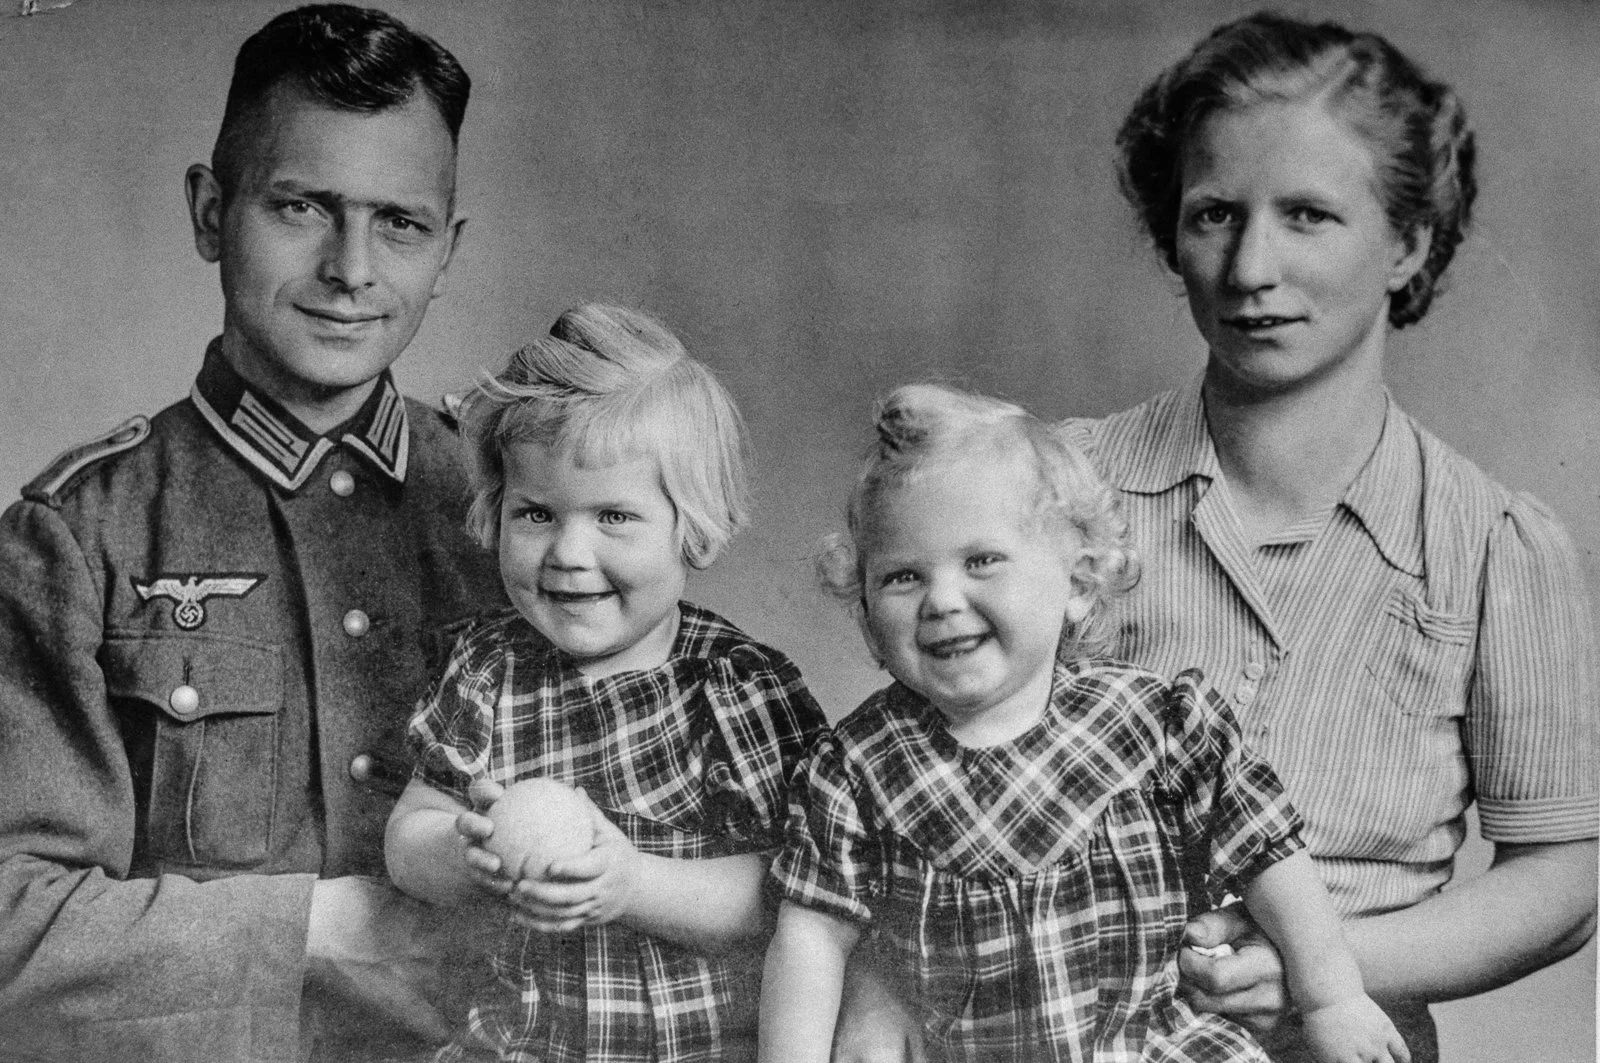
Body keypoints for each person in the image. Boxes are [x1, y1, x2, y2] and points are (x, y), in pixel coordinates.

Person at [832, 13, 1597, 1063]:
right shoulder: (1040, 496)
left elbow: (1562, 884)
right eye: (1213, 215)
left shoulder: (1494, 545)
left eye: (1309, 216)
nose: (1249, 267)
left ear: (1408, 242)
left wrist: (1324, 961)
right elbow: (891, 807)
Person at [0, 6, 505, 1060]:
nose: (351, 267)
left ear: (448, 252)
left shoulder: (516, 508)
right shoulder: (76, 535)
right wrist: (320, 933)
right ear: (209, 209)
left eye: (399, 223)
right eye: (300, 207)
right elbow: (13, 929)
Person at [761, 383, 1409, 1063]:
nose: (942, 600)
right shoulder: (857, 767)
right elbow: (810, 939)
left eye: (981, 560)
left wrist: (1331, 997)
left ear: (1075, 584)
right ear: (865, 616)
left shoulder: (1154, 724)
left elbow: (1271, 852)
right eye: (902, 577)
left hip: (1152, 1043)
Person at [385, 304, 828, 1062]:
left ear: (691, 528)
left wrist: (633, 884)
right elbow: (407, 836)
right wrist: (468, 854)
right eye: (536, 513)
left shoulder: (734, 686)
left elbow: (791, 892)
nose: (568, 552)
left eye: (614, 515)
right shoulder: (487, 668)